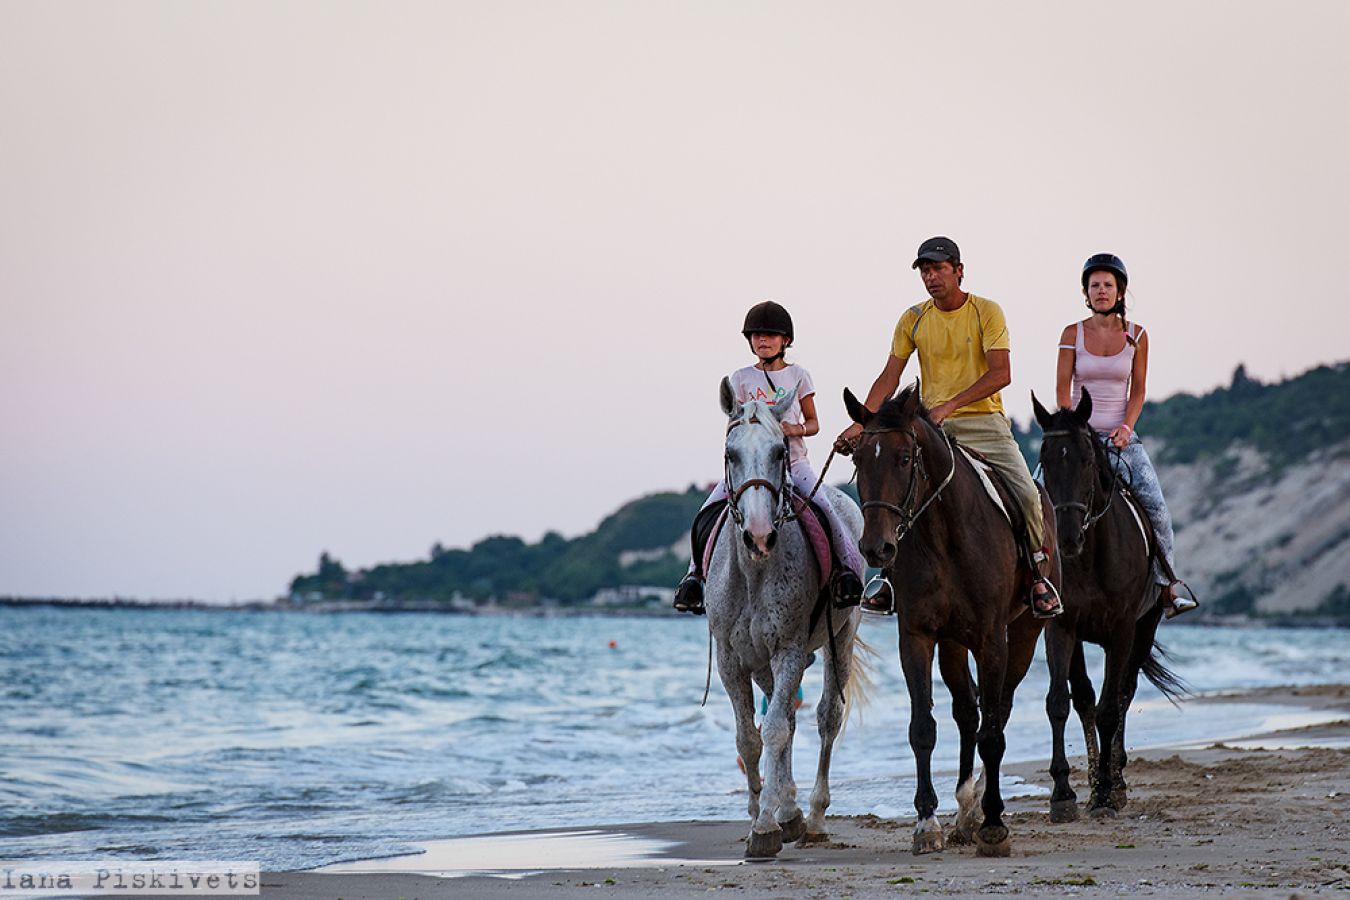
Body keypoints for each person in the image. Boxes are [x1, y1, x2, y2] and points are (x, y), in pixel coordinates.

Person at [834, 236, 1062, 617]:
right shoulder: (913, 318)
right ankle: (890, 578)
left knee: (1026, 492)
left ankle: (1039, 575)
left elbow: (1001, 373)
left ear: (959, 270)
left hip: (984, 422)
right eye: (925, 270)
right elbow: (890, 377)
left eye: (938, 268)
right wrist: (862, 424)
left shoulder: (986, 312)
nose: (931, 276)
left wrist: (950, 405)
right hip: (930, 427)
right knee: (900, 489)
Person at [673, 301, 865, 614]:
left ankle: (845, 573)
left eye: (771, 336)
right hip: (749, 467)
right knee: (707, 510)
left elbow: (814, 424)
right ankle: (694, 577)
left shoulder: (799, 376)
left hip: (793, 462)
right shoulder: (740, 379)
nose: (763, 341)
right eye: (757, 335)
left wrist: (794, 429)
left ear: (785, 341)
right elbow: (732, 428)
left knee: (827, 509)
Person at [1055, 253, 1197, 617]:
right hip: (1078, 437)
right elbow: (1061, 391)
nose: (1101, 291)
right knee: (1037, 497)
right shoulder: (1072, 333)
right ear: (1086, 292)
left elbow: (1138, 391)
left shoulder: (1137, 336)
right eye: (1094, 285)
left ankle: (1168, 586)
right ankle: (1037, 580)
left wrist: (1127, 427)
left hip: (1120, 440)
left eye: (1107, 285)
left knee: (1158, 509)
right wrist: (1076, 428)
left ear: (1120, 290)